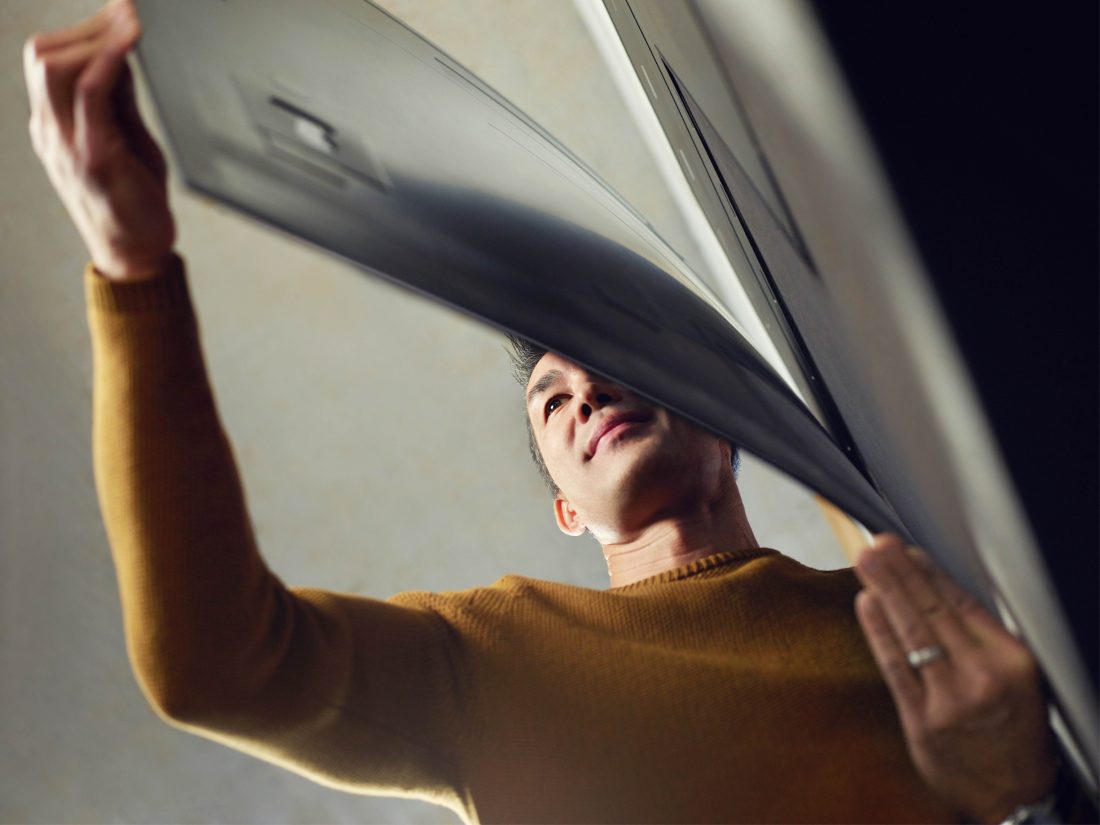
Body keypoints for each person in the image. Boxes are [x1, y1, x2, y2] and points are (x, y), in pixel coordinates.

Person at [23, 1, 1084, 822]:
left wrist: (1020, 801)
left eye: (607, 366)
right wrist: (134, 269)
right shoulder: (485, 660)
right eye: (548, 399)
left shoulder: (918, 620)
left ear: (727, 422)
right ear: (564, 511)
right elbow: (212, 670)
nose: (581, 390)